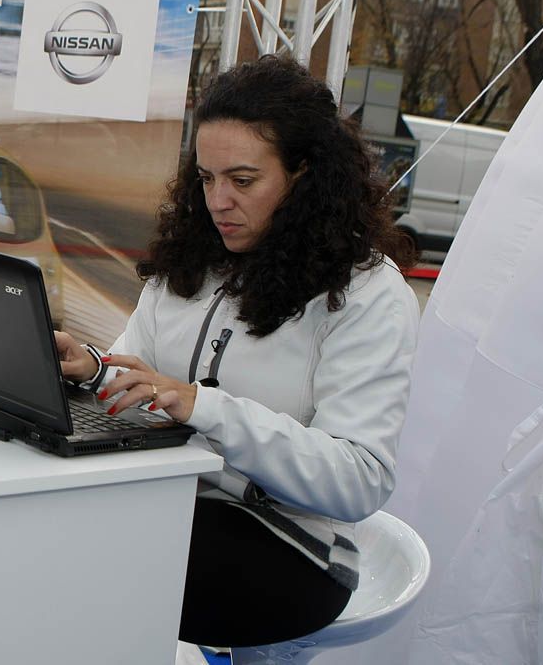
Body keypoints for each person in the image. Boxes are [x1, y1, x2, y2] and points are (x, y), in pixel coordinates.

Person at [55, 55, 420, 648]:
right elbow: (144, 387)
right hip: (168, 508)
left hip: (288, 546)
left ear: (306, 175)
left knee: (84, 575)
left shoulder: (366, 295)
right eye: (205, 178)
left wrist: (204, 406)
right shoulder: (193, 264)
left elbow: (358, 481)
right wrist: (94, 371)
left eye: (242, 181)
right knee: (31, 532)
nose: (217, 201)